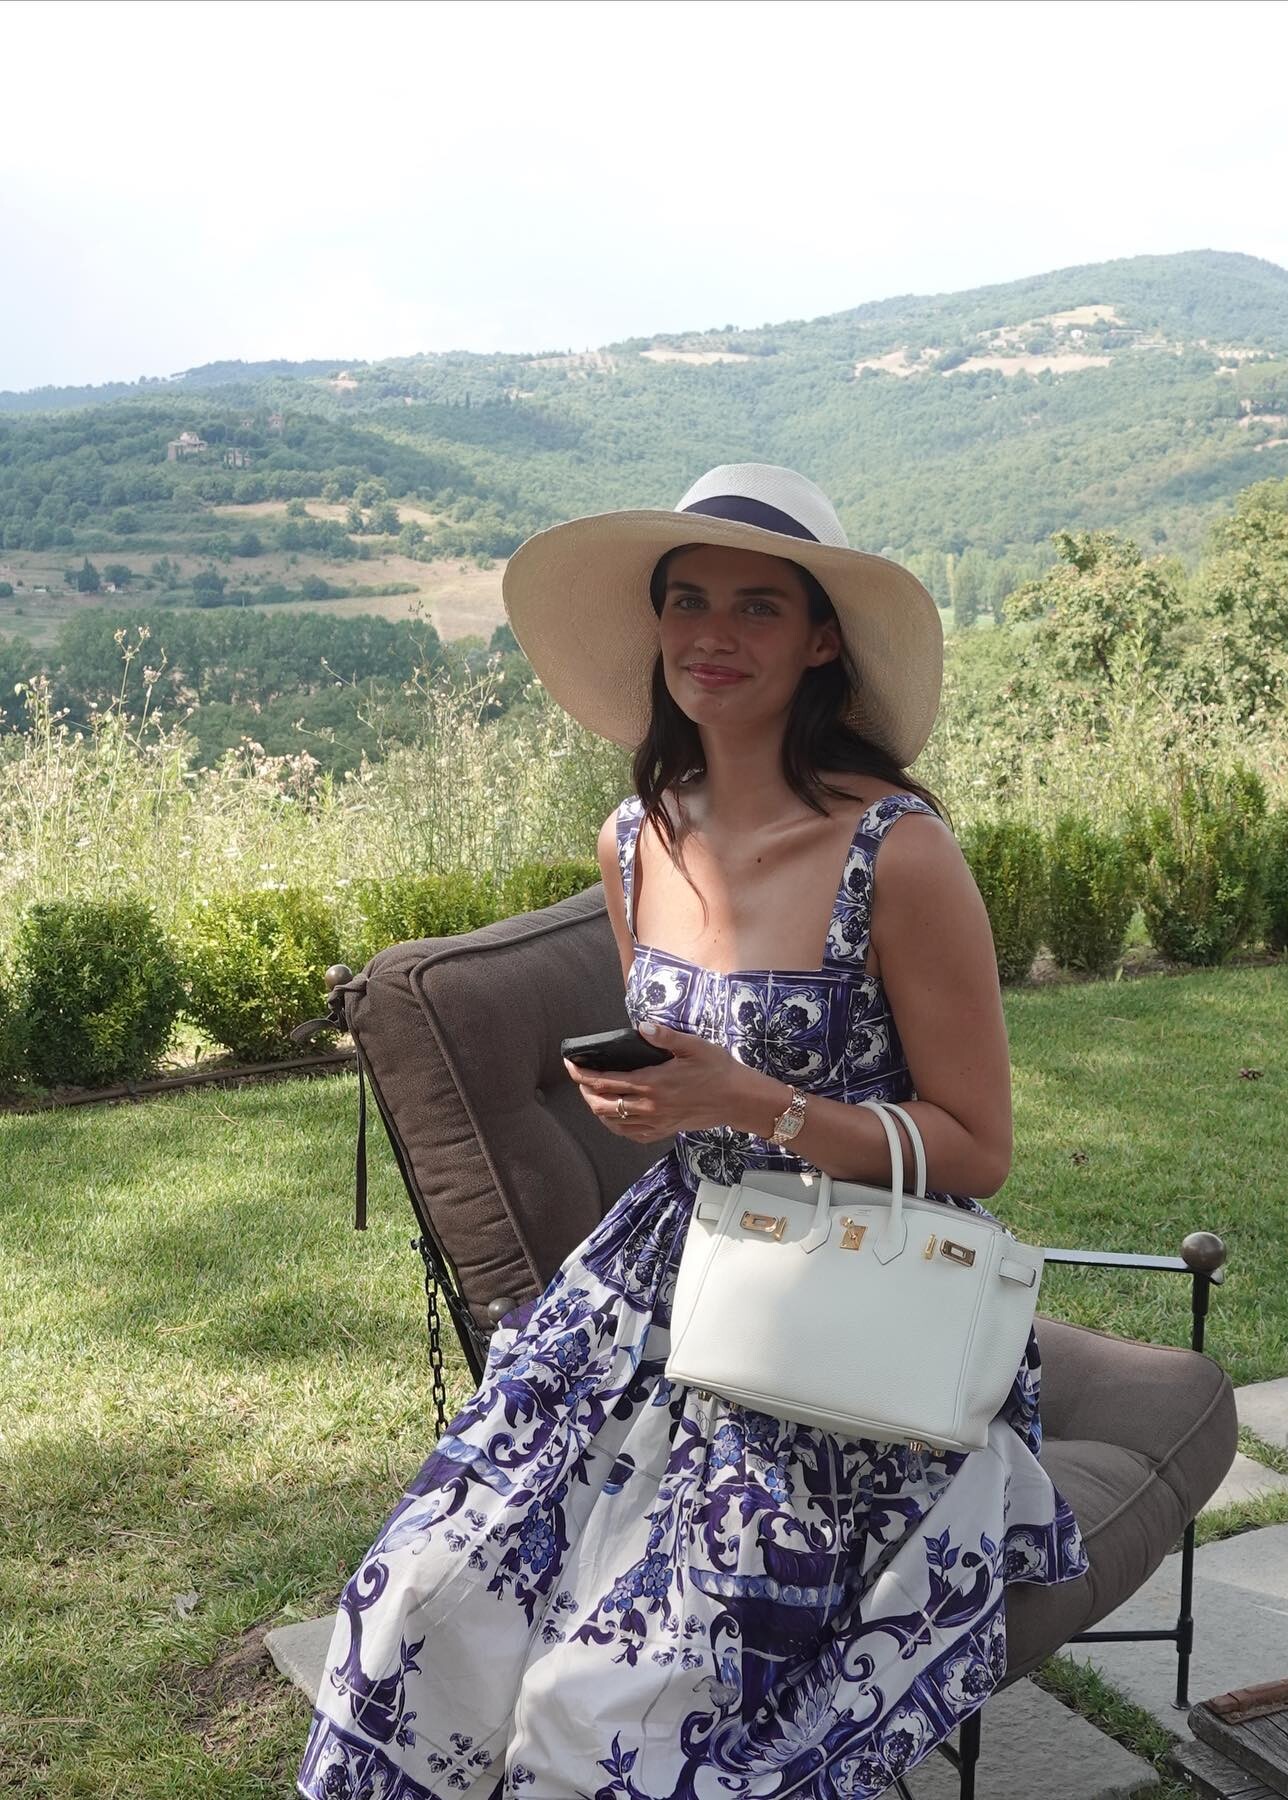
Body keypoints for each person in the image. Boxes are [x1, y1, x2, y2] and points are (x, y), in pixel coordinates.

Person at [296, 463, 1088, 1800]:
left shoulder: (897, 853)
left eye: (758, 607)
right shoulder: (633, 840)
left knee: (613, 1703)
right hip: (659, 1272)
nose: (713, 636)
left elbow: (976, 1144)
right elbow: (682, 1074)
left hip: (848, 1294)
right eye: (688, 602)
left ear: (821, 639)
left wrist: (752, 1103)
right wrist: (657, 1099)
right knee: (409, 1609)